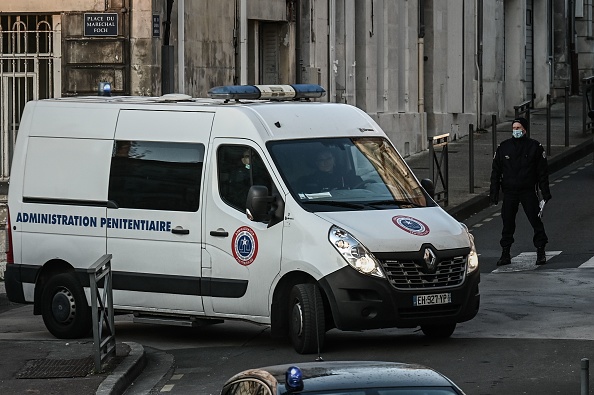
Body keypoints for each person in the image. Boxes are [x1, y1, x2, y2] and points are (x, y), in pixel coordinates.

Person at [489, 117, 552, 266]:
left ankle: (540, 250)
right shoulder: (504, 147)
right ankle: (505, 253)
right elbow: (496, 172)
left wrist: (545, 192)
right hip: (510, 192)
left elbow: (542, 172)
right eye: (514, 128)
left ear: (525, 129)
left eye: (519, 128)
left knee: (535, 221)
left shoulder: (534, 147)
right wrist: (494, 194)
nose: (516, 130)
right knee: (507, 223)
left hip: (528, 191)